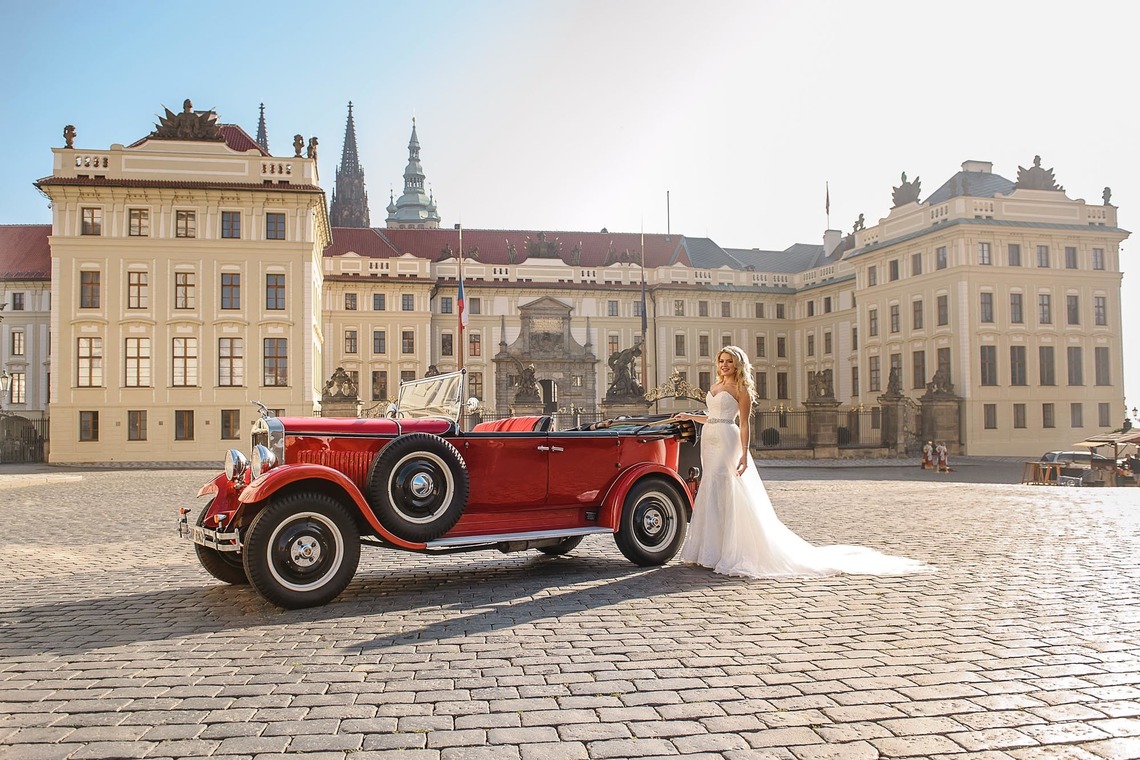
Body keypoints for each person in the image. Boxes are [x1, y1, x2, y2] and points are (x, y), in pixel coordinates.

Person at [670, 346, 928, 578]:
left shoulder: (741, 389)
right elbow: (712, 416)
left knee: (725, 486)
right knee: (711, 487)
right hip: (709, 439)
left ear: (737, 365)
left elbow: (744, 424)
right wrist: (690, 417)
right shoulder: (715, 387)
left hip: (728, 439)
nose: (724, 365)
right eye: (721, 361)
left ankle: (728, 550)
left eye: (729, 361)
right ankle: (709, 550)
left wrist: (744, 454)